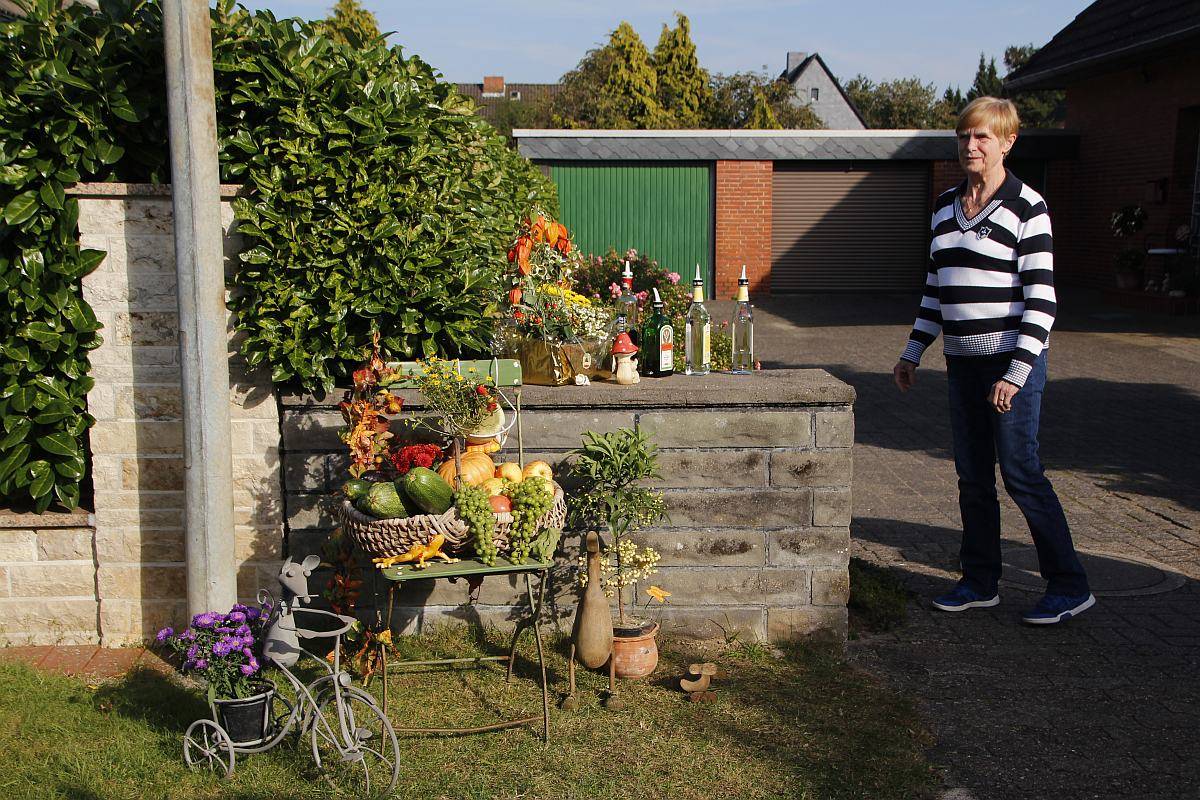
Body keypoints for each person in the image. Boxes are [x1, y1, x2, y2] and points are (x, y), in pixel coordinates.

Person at [893, 96, 1093, 625]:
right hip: (962, 364)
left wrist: (1017, 373)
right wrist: (913, 350)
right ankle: (980, 581)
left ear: (1008, 142)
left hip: (1011, 364)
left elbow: (1042, 301)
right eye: (964, 136)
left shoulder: (1028, 206)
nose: (971, 145)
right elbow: (936, 287)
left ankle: (1069, 585)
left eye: (982, 136)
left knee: (1021, 472)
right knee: (972, 477)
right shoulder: (944, 206)